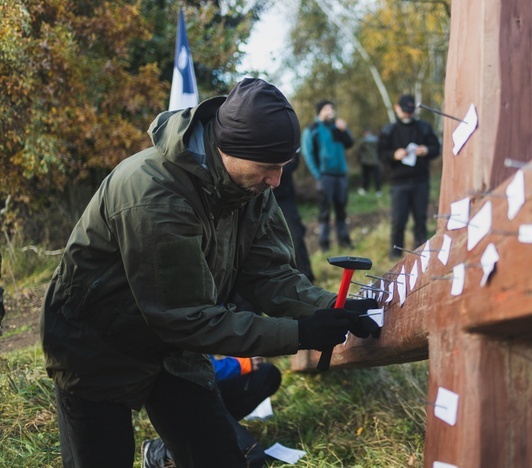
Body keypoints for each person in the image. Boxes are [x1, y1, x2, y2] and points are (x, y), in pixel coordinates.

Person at [40, 78, 379, 468]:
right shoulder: (154, 195)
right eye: (269, 167)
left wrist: (331, 307)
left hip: (174, 348)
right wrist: (300, 334)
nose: (276, 181)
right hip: (96, 342)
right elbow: (186, 319)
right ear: (227, 149)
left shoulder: (251, 188)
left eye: (283, 166)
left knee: (217, 456)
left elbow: (269, 273)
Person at [141, 355, 281, 468]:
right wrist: (238, 364)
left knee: (267, 375)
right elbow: (196, 369)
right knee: (250, 455)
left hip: (207, 386)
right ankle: (160, 452)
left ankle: (205, 436)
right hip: (185, 394)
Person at [378, 94, 441, 260]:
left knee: (420, 218)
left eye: (410, 111)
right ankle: (395, 253)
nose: (407, 114)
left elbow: (436, 147)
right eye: (405, 111)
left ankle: (420, 252)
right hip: (399, 182)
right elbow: (381, 154)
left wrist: (426, 150)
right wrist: (394, 154)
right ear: (397, 108)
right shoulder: (388, 130)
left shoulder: (424, 128)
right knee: (398, 220)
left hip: (421, 180)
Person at [301, 99, 354, 251]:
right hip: (325, 177)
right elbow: (308, 154)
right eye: (327, 108)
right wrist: (318, 175)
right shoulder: (312, 129)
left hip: (341, 175)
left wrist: (344, 130)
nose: (331, 111)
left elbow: (350, 143)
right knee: (324, 211)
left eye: (332, 108)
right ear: (319, 111)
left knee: (341, 209)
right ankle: (324, 243)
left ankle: (344, 240)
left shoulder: (336, 127)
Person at [272, 150, 315, 282]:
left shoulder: (286, 130)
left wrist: (271, 174)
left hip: (284, 196)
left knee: (295, 237)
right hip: (254, 195)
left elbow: (294, 160)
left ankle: (306, 278)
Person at [356, 128, 382, 196]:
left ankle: (365, 190)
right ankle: (378, 191)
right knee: (376, 177)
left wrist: (359, 159)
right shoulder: (377, 140)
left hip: (365, 161)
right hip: (375, 161)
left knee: (365, 177)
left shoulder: (363, 141)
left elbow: (358, 151)